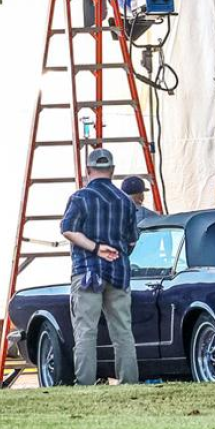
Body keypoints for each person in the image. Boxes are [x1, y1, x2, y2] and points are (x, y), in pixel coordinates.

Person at [61, 148, 139, 386]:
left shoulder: (80, 198)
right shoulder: (126, 201)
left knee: (86, 330)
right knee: (123, 331)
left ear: (88, 170)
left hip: (87, 272)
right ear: (112, 171)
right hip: (119, 273)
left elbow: (68, 229)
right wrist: (115, 252)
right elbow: (132, 239)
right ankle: (129, 382)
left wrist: (95, 248)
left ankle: (84, 383)